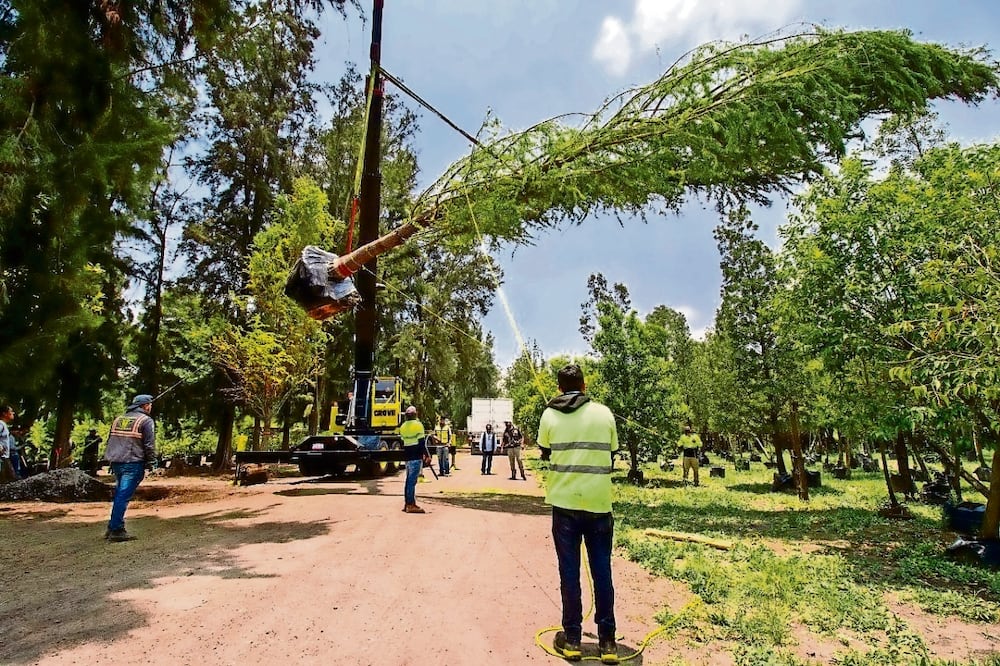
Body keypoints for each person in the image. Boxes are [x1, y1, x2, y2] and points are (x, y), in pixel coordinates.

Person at [538, 363, 620, 664]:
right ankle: (607, 642)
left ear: (560, 387)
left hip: (564, 507)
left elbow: (544, 450)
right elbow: (612, 453)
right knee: (602, 572)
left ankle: (572, 639)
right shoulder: (604, 413)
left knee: (569, 572)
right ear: (584, 386)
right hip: (599, 506)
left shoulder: (549, 414)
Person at [104, 394, 157, 542]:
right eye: (150, 404)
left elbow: (111, 439)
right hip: (132, 462)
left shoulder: (119, 419)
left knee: (120, 494)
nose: (151, 407)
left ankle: (112, 526)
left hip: (116, 461)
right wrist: (151, 462)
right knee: (123, 496)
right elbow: (149, 444)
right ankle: (116, 529)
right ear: (145, 405)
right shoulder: (146, 421)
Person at [400, 405, 429, 513]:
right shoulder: (418, 425)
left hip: (407, 457)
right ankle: (411, 504)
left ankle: (407, 503)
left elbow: (404, 442)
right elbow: (421, 443)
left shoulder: (402, 427)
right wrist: (426, 455)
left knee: (408, 481)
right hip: (416, 457)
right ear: (415, 415)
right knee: (412, 482)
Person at [0, 405, 15, 480]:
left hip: (5, 457)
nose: (13, 413)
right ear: (4, 414)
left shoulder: (3, 425)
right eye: (11, 411)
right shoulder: (1, 424)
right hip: (2, 457)